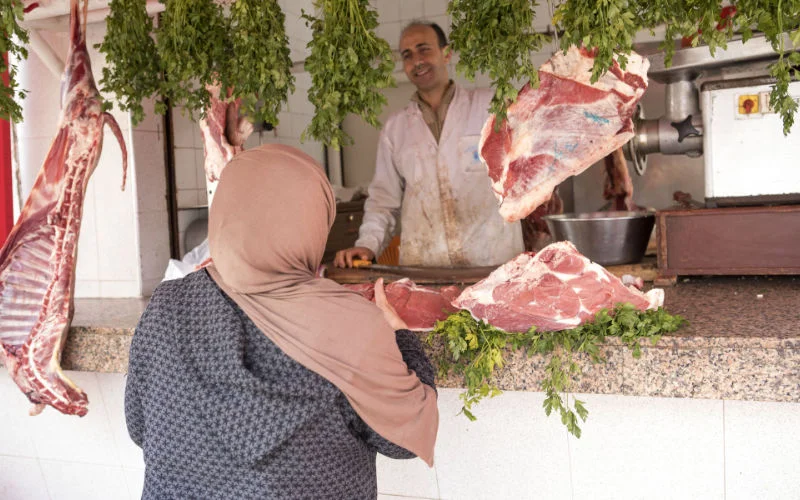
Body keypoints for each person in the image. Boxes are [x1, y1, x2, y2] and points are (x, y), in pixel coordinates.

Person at [124, 144, 439, 499]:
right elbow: (404, 440)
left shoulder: (166, 305)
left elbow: (139, 427)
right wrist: (401, 339)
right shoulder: (348, 329)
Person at [334, 21, 524, 269]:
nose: (417, 61)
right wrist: (368, 244)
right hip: (424, 267)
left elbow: (528, 166)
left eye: (424, 49)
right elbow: (383, 201)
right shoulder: (395, 129)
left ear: (447, 53)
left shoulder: (490, 107)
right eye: (407, 55)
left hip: (494, 263)